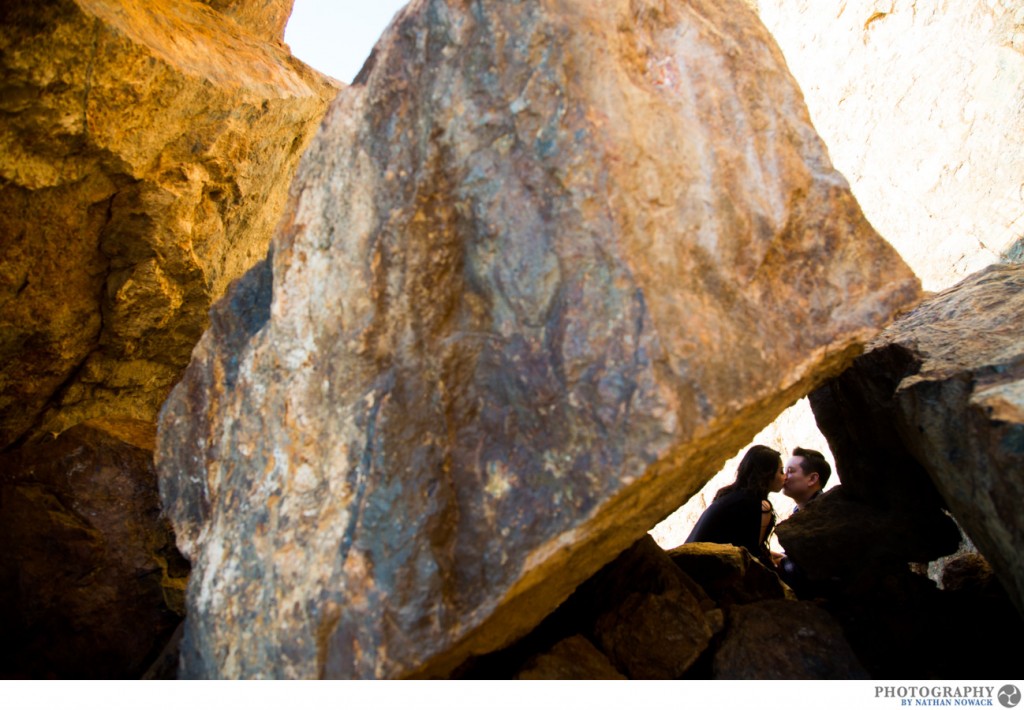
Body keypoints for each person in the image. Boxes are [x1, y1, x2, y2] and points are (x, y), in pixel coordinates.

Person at [685, 444, 784, 567]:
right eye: (781, 471)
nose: (785, 477)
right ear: (767, 475)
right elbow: (752, 555)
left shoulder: (731, 496)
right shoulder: (759, 505)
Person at [782, 446, 831, 512]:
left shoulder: (828, 512)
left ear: (812, 479)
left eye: (790, 471)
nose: (784, 476)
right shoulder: (798, 511)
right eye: (784, 471)